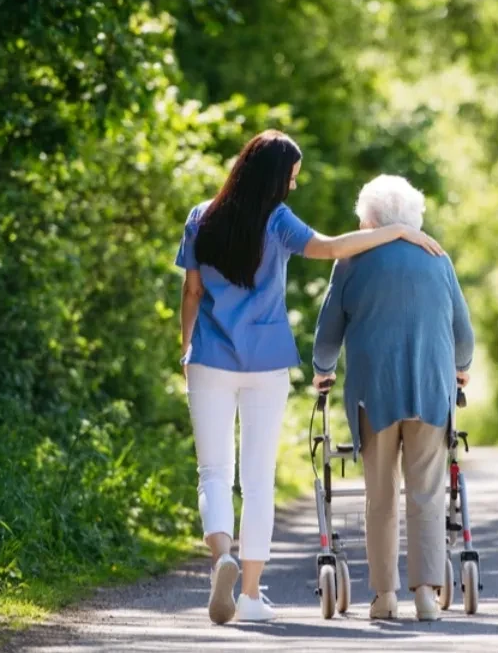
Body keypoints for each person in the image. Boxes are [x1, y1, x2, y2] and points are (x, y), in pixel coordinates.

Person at [176, 131, 444, 625]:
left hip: (209, 358)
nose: (293, 188)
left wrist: (186, 346)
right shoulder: (276, 221)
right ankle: (251, 595)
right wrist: (398, 231)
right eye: (292, 178)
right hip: (267, 361)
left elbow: (192, 292)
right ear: (274, 178)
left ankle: (222, 560)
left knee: (213, 473)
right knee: (257, 479)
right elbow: (331, 247)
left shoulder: (201, 217)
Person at [311, 174, 474, 621]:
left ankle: (384, 597)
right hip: (430, 388)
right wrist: (462, 367)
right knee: (426, 491)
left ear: (374, 219)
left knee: (380, 495)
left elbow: (328, 333)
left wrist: (322, 372)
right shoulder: (438, 259)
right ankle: (425, 594)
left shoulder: (350, 262)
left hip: (373, 394)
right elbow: (463, 331)